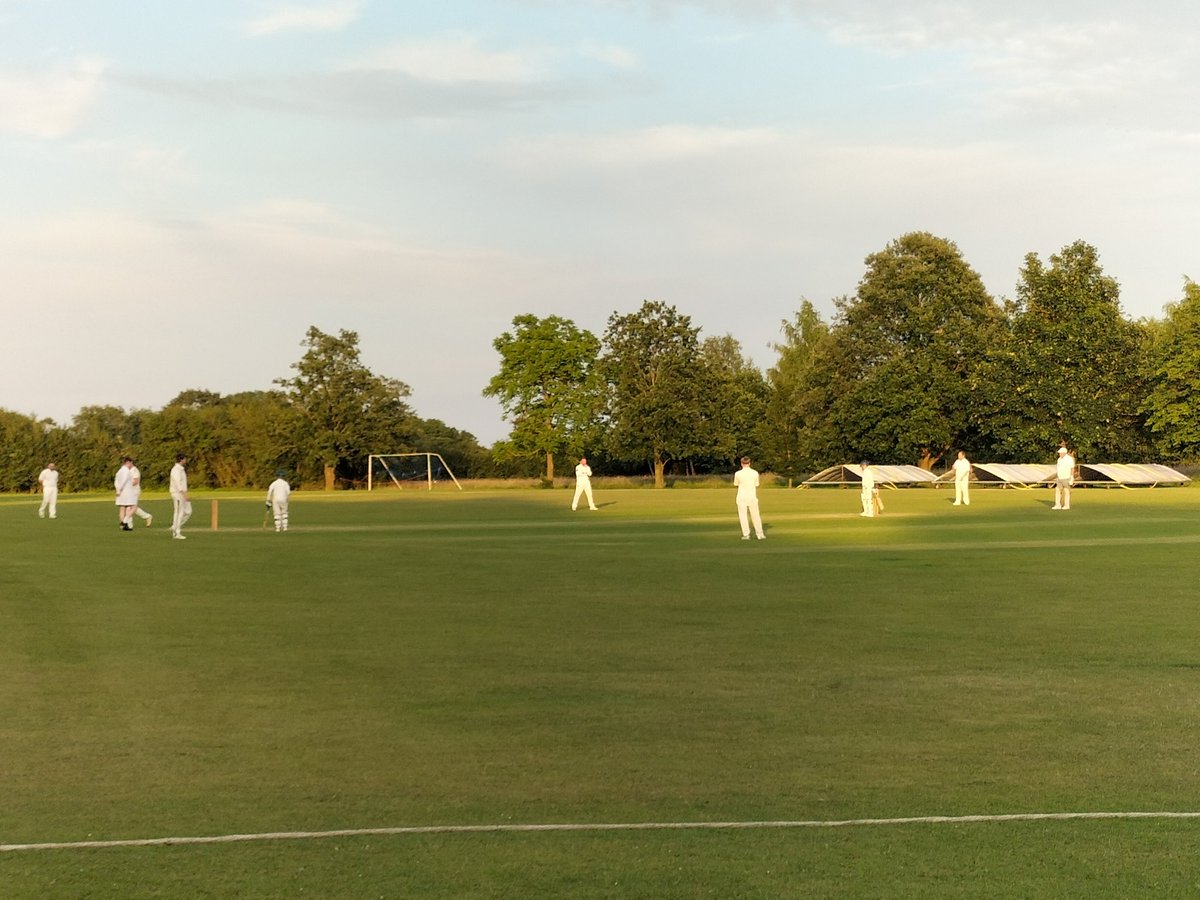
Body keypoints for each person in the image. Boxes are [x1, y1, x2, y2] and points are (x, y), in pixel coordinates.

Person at [733, 456, 765, 540]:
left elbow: (736, 484)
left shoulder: (738, 474)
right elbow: (757, 484)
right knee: (756, 516)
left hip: (741, 497)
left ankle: (746, 534)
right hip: (752, 497)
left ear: (741, 463)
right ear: (749, 463)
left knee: (743, 516)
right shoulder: (755, 473)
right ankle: (760, 534)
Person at [114, 457, 140, 531]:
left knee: (122, 508)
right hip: (127, 492)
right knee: (134, 507)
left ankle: (122, 525)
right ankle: (125, 521)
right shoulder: (127, 471)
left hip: (120, 492)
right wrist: (120, 488)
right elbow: (124, 480)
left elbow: (116, 481)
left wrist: (117, 489)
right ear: (128, 462)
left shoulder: (119, 471)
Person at [169, 453, 191, 540]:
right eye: (185, 459)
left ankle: (175, 526)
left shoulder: (181, 469)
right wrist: (184, 494)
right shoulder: (176, 470)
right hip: (177, 494)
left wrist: (186, 494)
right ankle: (176, 533)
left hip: (182, 493)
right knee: (178, 512)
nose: (186, 460)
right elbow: (178, 484)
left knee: (188, 511)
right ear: (181, 459)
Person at [1052, 445, 1075, 510]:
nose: (1059, 454)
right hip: (1060, 477)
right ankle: (1058, 505)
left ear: (1064, 453)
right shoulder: (1059, 459)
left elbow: (1072, 468)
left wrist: (1072, 477)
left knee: (1066, 491)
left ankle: (1067, 505)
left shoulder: (1069, 459)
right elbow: (1058, 468)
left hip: (1066, 477)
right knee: (1057, 490)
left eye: (1060, 453)